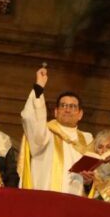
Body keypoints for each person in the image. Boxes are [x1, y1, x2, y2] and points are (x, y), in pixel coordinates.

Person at [19, 66, 93, 194]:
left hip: (76, 201)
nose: (67, 109)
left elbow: (93, 179)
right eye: (63, 105)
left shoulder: (87, 140)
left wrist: (88, 183)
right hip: (47, 198)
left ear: (80, 114)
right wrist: (39, 87)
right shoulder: (46, 132)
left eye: (72, 106)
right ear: (55, 112)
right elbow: (32, 119)